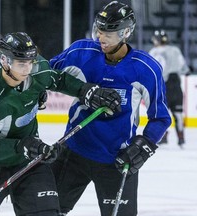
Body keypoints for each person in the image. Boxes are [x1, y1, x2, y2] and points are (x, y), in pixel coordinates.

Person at [0, 32, 121, 216]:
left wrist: (85, 91)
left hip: (29, 161)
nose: (27, 69)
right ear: (4, 61)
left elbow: (58, 79)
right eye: (21, 64)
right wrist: (24, 145)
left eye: (30, 62)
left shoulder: (37, 68)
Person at [49, 1, 172, 216]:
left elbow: (161, 118)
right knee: (45, 211)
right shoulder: (81, 51)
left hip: (117, 160)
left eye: (108, 32)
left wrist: (145, 144)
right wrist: (82, 90)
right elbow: (45, 74)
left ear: (126, 32)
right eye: (99, 29)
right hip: (74, 152)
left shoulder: (145, 69)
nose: (100, 36)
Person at [149, 29, 190, 147]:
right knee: (178, 112)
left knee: (162, 112)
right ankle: (181, 138)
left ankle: (163, 136)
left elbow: (152, 70)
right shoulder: (175, 50)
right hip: (176, 84)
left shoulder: (154, 52)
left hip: (163, 85)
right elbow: (184, 68)